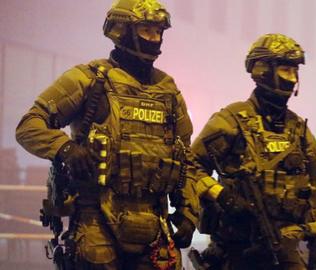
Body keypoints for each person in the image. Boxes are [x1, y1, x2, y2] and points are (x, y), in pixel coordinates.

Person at [15, 0, 198, 269]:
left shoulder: (167, 91)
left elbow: (186, 159)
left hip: (154, 223)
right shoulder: (88, 80)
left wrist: (188, 212)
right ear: (122, 31)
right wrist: (66, 149)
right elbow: (29, 125)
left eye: (159, 31)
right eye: (147, 30)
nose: (155, 39)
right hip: (96, 221)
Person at [192, 33, 316, 270]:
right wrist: (222, 195)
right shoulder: (232, 121)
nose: (293, 78)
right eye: (286, 70)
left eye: (295, 71)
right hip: (236, 247)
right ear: (263, 70)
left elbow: (310, 187)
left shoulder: (298, 130)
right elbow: (190, 165)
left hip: (282, 248)